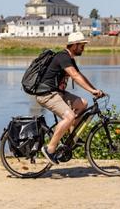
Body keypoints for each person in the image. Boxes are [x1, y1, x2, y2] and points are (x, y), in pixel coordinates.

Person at [36, 31, 104, 164]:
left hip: (57, 93)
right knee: (69, 117)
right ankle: (50, 149)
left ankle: (70, 138)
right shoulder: (63, 57)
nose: (83, 48)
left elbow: (80, 75)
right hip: (47, 94)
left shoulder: (69, 58)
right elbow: (75, 76)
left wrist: (94, 90)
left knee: (82, 104)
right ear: (74, 45)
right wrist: (91, 91)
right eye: (81, 45)